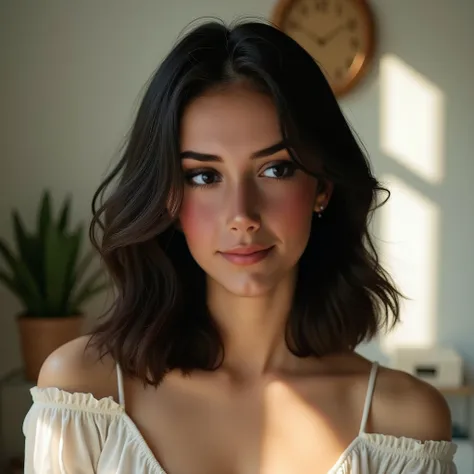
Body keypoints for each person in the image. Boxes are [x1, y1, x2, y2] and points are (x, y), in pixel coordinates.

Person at [23, 19, 457, 474]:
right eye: (204, 176)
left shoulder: (404, 426)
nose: (242, 215)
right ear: (169, 198)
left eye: (276, 170)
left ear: (322, 188)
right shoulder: (83, 395)